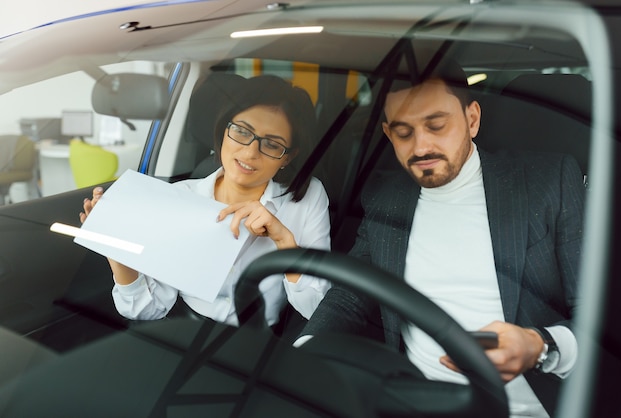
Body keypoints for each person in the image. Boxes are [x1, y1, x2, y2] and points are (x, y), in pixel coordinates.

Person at [299, 59, 584, 417]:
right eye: (404, 133)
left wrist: (539, 346)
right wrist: (300, 357)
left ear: (472, 119)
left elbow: (597, 317)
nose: (421, 147)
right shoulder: (385, 197)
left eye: (436, 125)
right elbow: (349, 296)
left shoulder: (548, 182)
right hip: (413, 402)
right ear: (388, 134)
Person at [80, 74, 331, 328]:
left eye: (272, 144)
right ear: (224, 129)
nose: (250, 152)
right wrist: (114, 249)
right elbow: (148, 308)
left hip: (260, 344)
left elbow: (318, 308)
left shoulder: (307, 198)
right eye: (242, 132)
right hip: (187, 334)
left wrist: (283, 241)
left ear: (287, 157)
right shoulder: (182, 198)